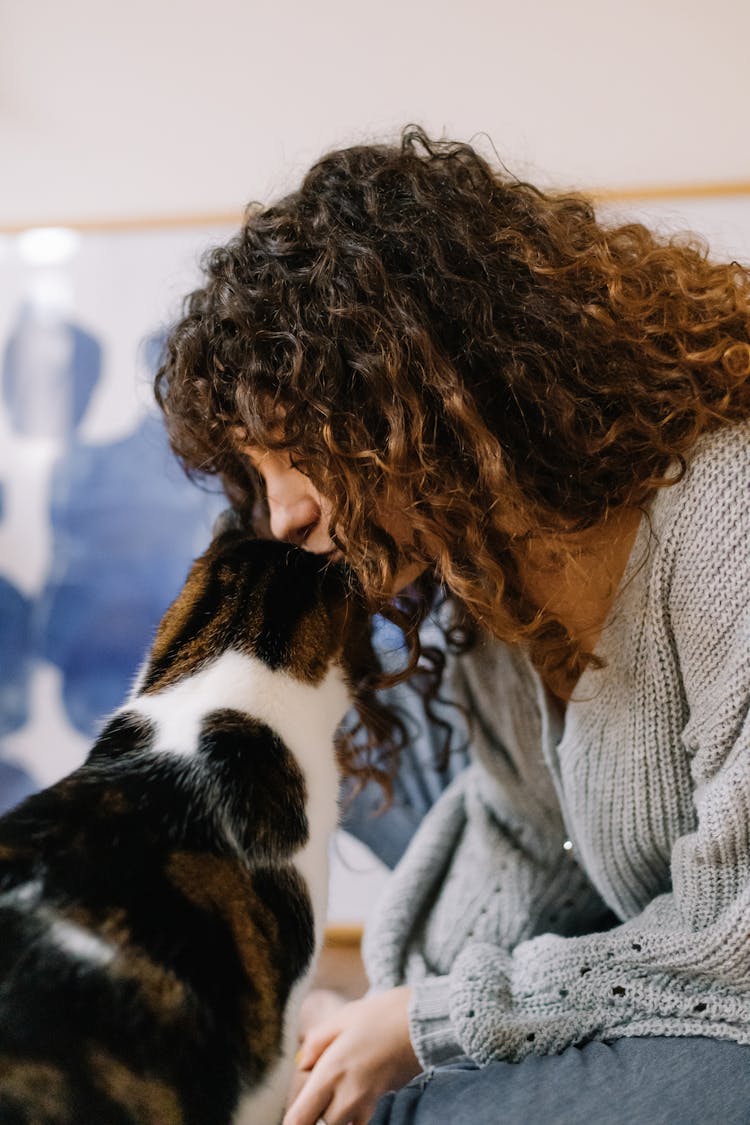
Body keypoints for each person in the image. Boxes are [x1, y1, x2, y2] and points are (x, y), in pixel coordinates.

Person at [155, 128, 750, 1125]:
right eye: (257, 476)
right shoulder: (490, 571)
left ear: (419, 393)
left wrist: (429, 1022)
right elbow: (524, 837)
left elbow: (737, 951)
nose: (284, 513)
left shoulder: (726, 524)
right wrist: (379, 1028)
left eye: (293, 452)